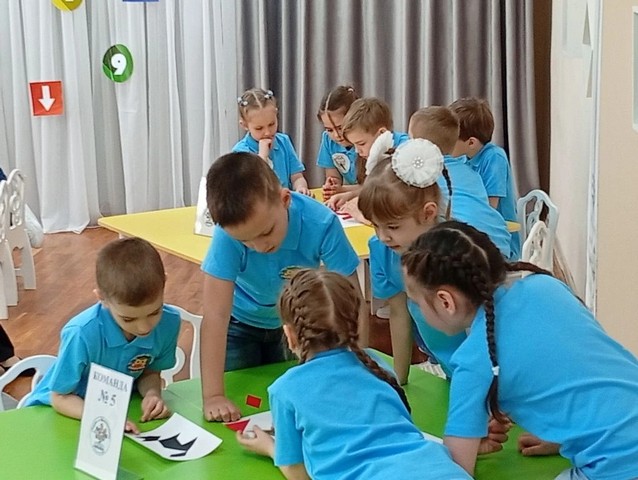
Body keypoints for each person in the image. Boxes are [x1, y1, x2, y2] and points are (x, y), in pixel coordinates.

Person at [402, 220, 638, 479]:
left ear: (445, 301)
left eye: (416, 302)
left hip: (618, 466)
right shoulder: (546, 286)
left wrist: (469, 447)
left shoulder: (474, 362)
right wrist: (559, 435)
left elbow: (455, 472)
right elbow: (585, 375)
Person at [237, 268, 472, 480]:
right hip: (442, 469)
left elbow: (297, 472)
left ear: (289, 335)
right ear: (354, 324)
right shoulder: (376, 363)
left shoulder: (284, 390)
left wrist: (269, 447)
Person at [200, 152, 364, 423]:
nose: (259, 247)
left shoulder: (321, 223)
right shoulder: (227, 236)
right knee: (242, 405)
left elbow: (351, 301)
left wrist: (359, 370)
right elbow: (215, 315)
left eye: (265, 232)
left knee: (297, 405)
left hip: (294, 326)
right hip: (239, 326)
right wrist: (213, 396)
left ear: (285, 200)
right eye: (246, 241)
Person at [358, 108, 510, 384]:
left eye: (392, 227)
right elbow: (398, 313)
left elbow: (486, 337)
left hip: (491, 372)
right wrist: (401, 383)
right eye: (375, 225)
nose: (383, 237)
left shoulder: (458, 255)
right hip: (455, 367)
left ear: (428, 214)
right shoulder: (381, 249)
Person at [24, 238, 180, 433]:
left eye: (154, 312)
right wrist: (102, 416)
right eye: (128, 319)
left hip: (115, 406)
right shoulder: (81, 333)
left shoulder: (169, 322)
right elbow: (59, 397)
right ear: (102, 299)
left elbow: (149, 372)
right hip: (56, 412)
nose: (143, 327)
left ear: (165, 283)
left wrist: (152, 394)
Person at [450, 97, 519, 258]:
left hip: (500, 240)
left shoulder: (494, 158)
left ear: (471, 143)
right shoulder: (463, 158)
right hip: (477, 233)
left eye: (451, 138)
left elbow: (489, 207)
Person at [325, 97, 409, 211]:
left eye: (361, 144)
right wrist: (349, 195)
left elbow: (395, 199)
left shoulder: (405, 151)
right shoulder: (373, 150)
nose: (357, 151)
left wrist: (358, 206)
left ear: (382, 133)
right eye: (354, 145)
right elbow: (374, 186)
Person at [233, 88, 311, 195]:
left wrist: (301, 187)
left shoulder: (284, 141)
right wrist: (263, 157)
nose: (267, 132)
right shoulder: (240, 152)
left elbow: (297, 177)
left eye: (271, 124)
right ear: (245, 125)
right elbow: (251, 189)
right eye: (259, 128)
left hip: (286, 201)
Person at [315, 85, 360, 201]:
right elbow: (333, 176)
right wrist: (332, 185)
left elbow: (374, 187)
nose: (336, 135)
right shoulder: (328, 140)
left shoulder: (369, 140)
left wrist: (342, 190)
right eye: (329, 130)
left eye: (340, 128)